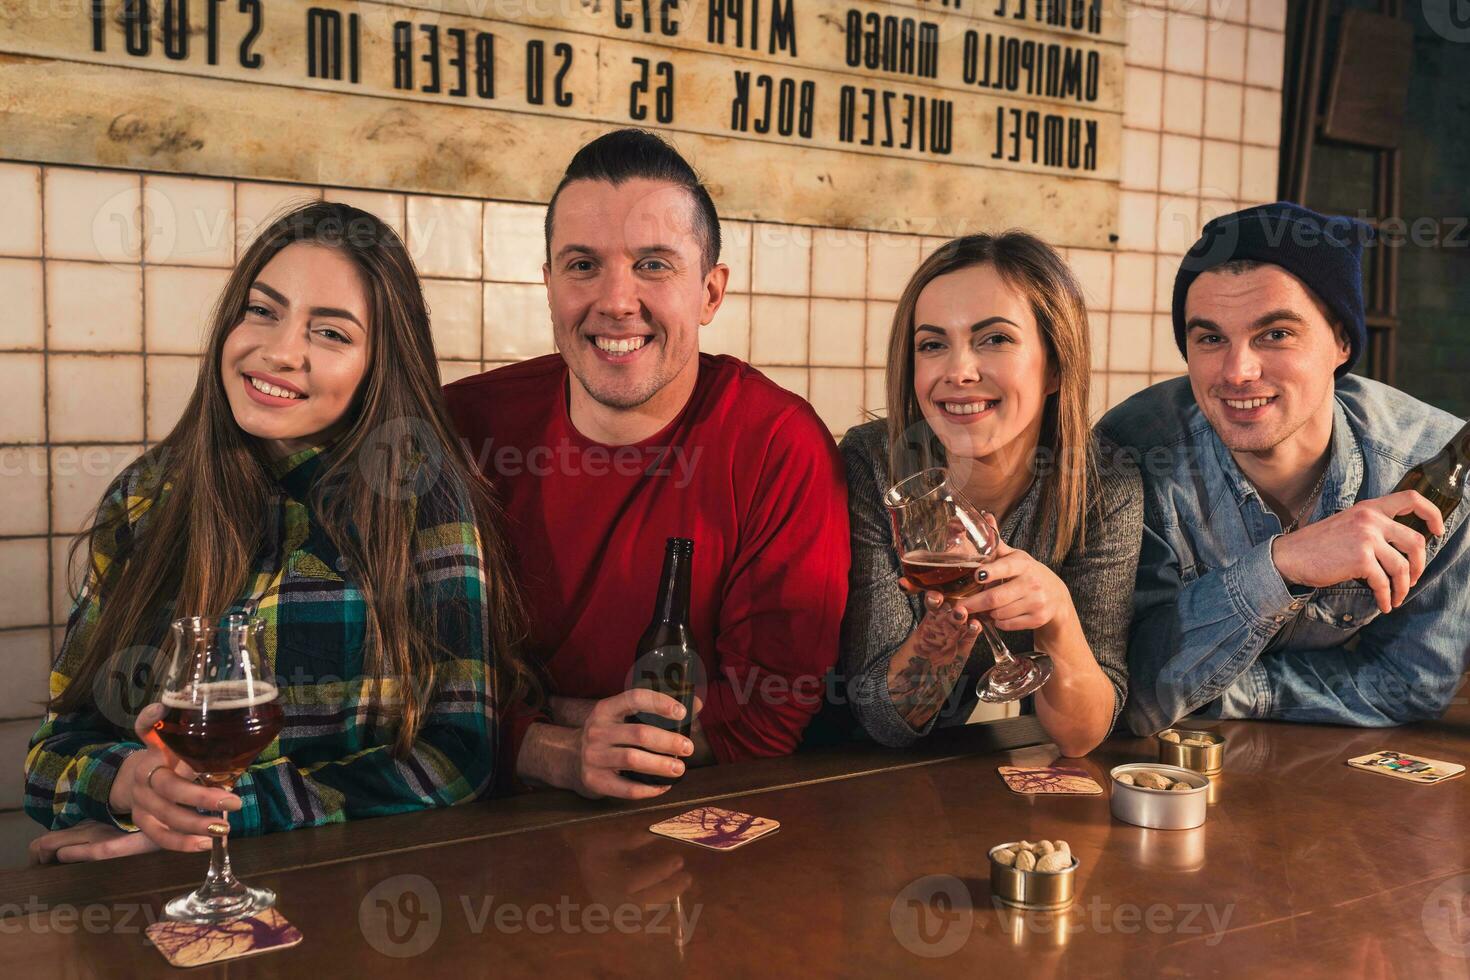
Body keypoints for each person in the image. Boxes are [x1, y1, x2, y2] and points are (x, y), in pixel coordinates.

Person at [26, 202, 531, 862]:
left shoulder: (425, 503)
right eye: (262, 311)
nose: (279, 350)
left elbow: (458, 760)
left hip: (353, 907)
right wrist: (133, 783)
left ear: (379, 368)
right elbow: (52, 755)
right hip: (165, 904)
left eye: (331, 334)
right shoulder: (147, 497)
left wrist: (233, 812)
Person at [446, 129, 850, 800]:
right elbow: (408, 683)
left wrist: (550, 715)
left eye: (653, 264)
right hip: (478, 812)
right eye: (582, 265)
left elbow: (765, 719)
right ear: (549, 286)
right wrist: (553, 747)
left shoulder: (779, 444)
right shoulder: (463, 427)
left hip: (699, 816)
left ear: (710, 293)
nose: (615, 300)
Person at [1098, 202, 1470, 734]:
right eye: (1210, 338)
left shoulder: (1433, 468)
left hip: (1330, 789)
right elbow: (1123, 694)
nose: (1237, 371)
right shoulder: (1129, 456)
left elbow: (1409, 685)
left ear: (1341, 341)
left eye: (1275, 334)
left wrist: (1221, 691)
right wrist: (1281, 568)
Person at [840, 232, 1141, 757]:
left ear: (1055, 365)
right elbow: (880, 719)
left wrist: (1057, 616)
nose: (958, 371)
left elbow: (1080, 736)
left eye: (995, 339)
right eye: (932, 344)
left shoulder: (1104, 486)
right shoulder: (875, 462)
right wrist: (945, 633)